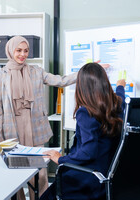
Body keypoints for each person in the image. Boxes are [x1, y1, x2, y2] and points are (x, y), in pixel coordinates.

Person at [0, 36, 78, 199]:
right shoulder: (0, 74)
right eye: (19, 50)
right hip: (12, 127)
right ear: (11, 51)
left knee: (40, 172)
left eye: (26, 51)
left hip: (34, 126)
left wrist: (84, 71)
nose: (22, 54)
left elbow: (60, 81)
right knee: (15, 175)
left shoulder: (36, 71)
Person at [40, 62, 126, 200]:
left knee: (47, 197)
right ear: (104, 82)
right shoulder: (118, 104)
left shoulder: (85, 112)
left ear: (82, 86)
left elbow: (88, 152)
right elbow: (120, 94)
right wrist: (121, 85)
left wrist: (60, 158)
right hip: (108, 177)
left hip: (88, 179)